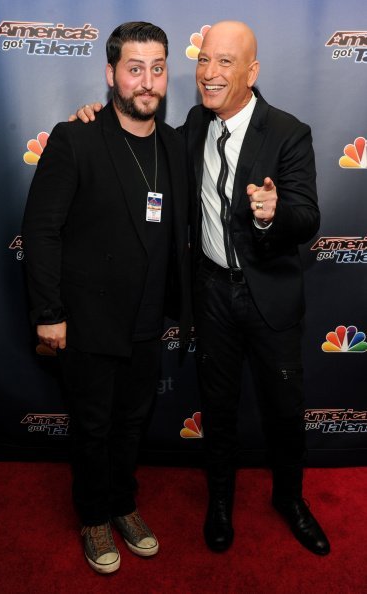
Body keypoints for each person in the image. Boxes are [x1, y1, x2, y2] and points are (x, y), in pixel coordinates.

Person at [71, 20, 330, 557]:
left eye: (225, 62)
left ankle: (291, 500)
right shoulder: (189, 127)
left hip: (270, 296)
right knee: (218, 408)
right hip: (211, 292)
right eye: (204, 60)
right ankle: (219, 504)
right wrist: (91, 118)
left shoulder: (288, 131)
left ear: (252, 72)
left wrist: (274, 214)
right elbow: (126, 133)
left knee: (285, 408)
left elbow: (308, 215)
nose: (209, 73)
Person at [22, 21, 192, 575]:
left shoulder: (173, 143)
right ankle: (93, 514)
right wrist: (49, 314)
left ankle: (122, 502)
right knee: (92, 426)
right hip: (88, 320)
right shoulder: (76, 137)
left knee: (131, 422)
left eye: (157, 68)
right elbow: (41, 229)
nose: (147, 81)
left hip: (146, 321)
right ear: (111, 74)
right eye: (134, 68)